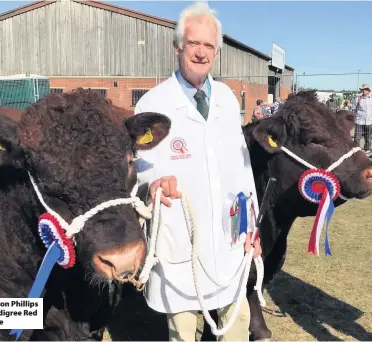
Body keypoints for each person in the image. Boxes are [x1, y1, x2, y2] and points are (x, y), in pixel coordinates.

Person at [133, 2, 261, 341]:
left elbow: (242, 169)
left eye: (209, 46)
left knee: (236, 326)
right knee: (183, 331)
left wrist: (253, 226)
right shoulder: (152, 103)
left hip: (229, 237)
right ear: (178, 47)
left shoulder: (227, 99)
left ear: (216, 52)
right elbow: (141, 170)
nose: (201, 53)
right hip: (181, 239)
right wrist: (154, 184)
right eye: (194, 44)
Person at [355, 84, 372, 153]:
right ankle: (356, 150)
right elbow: (355, 109)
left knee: (368, 137)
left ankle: (367, 149)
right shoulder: (358, 98)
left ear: (369, 90)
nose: (364, 91)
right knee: (357, 137)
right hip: (359, 121)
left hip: (369, 121)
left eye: (365, 89)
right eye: (363, 89)